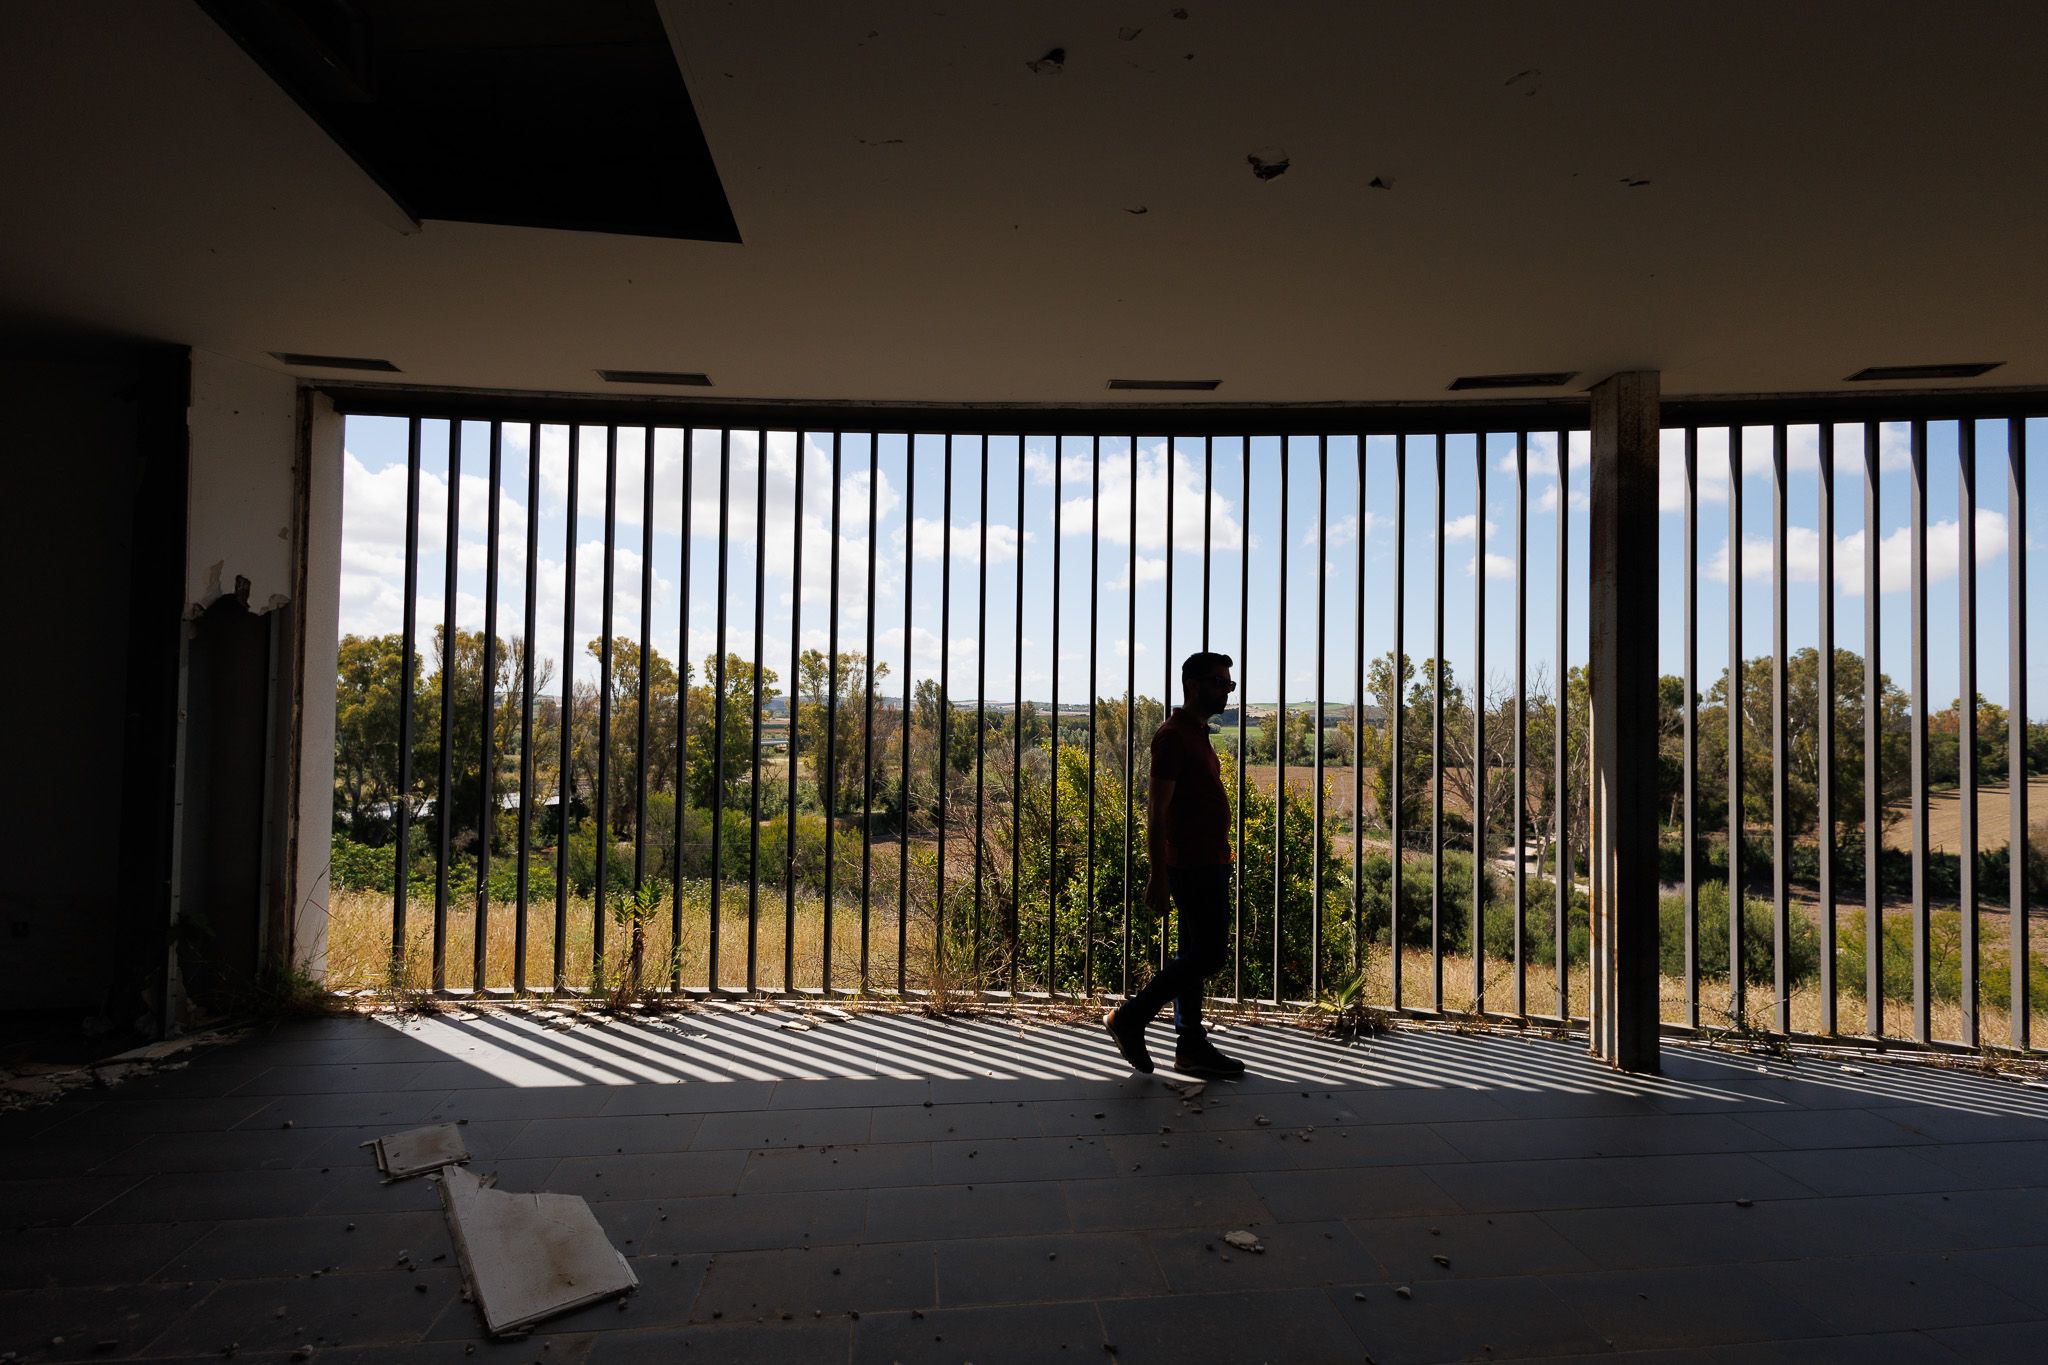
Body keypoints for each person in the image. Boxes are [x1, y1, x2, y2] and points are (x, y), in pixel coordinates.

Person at [1103, 651, 1245, 1078]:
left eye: (1229, 684)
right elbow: (1156, 810)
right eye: (1219, 682)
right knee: (1211, 954)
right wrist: (1158, 874)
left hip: (1210, 859)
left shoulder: (1197, 732)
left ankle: (1190, 1046)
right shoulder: (1173, 737)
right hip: (1191, 865)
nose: (1226, 691)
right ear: (1192, 684)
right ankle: (1131, 1017)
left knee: (1193, 954)